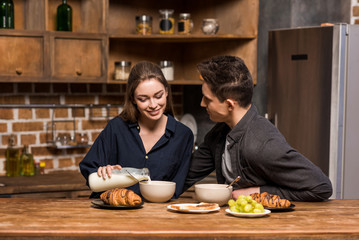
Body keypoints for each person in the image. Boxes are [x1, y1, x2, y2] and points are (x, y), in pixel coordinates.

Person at [183, 56, 333, 201]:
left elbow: (321, 187)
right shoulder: (220, 133)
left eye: (207, 99)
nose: (202, 104)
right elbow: (186, 174)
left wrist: (257, 192)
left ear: (230, 104)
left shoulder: (263, 146)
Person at [80, 61, 194, 199]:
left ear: (166, 92)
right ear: (133, 99)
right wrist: (102, 172)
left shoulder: (183, 135)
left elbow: (176, 187)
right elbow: (89, 169)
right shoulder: (117, 127)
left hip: (155, 215)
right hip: (112, 212)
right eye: (143, 99)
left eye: (158, 96)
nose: (153, 105)